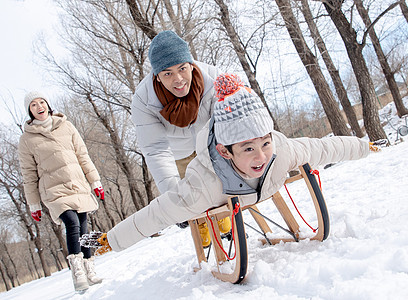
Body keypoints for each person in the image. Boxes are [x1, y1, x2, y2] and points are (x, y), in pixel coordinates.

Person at [91, 73, 379, 254]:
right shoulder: (203, 185)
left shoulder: (281, 152)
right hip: (221, 187)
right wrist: (111, 240)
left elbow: (324, 147)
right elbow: (157, 213)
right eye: (249, 149)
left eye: (265, 144)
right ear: (226, 152)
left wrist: (364, 146)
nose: (261, 157)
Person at [131, 30, 228, 231]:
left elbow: (227, 123)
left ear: (191, 65)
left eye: (182, 68)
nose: (178, 79)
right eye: (167, 73)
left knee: (219, 193)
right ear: (157, 77)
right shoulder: (143, 100)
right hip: (178, 155)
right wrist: (175, 202)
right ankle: (202, 233)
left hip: (210, 145)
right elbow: (156, 149)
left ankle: (226, 227)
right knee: (192, 200)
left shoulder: (213, 78)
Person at [18, 91, 104, 292]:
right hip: (53, 190)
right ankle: (77, 272)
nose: (39, 107)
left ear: (48, 104)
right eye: (33, 105)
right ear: (29, 111)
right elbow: (28, 174)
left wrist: (95, 181)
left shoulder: (66, 126)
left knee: (83, 224)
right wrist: (34, 204)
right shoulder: (27, 140)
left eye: (41, 102)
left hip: (77, 184)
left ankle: (89, 267)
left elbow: (82, 155)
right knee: (72, 223)